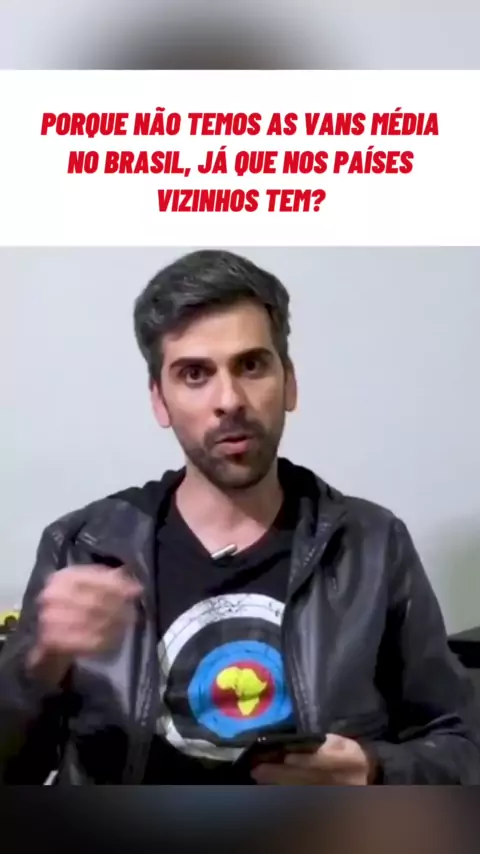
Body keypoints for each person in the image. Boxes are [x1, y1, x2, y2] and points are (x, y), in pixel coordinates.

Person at [1, 249, 479, 785]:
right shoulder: (82, 546)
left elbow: (463, 747)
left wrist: (372, 770)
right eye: (194, 374)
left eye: (251, 366)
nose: (229, 400)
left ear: (289, 383)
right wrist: (40, 665)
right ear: (159, 401)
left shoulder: (371, 545)